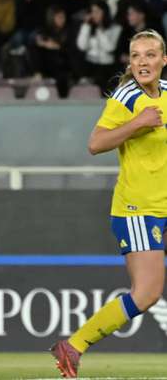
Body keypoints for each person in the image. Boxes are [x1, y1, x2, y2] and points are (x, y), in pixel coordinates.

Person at [51, 30, 167, 378]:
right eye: (136, 56)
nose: (142, 62)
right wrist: (137, 123)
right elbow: (95, 143)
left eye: (150, 55)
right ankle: (74, 346)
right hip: (138, 209)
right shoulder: (126, 98)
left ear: (164, 60)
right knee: (146, 294)